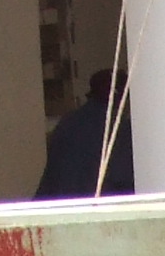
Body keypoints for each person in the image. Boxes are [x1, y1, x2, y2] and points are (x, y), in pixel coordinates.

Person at [36, 69, 135, 199]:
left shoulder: (68, 122)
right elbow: (125, 178)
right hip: (98, 205)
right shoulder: (119, 128)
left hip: (60, 205)